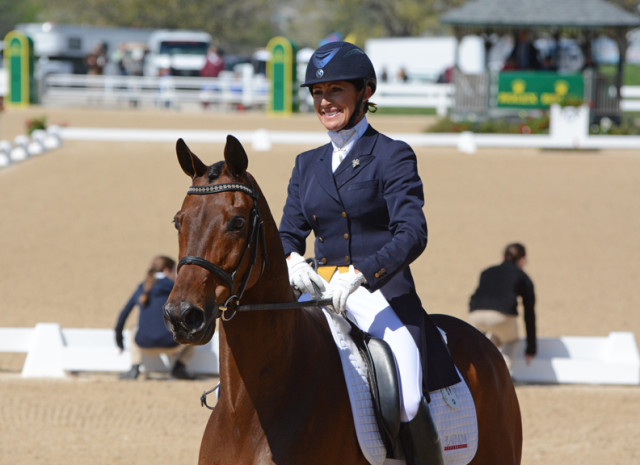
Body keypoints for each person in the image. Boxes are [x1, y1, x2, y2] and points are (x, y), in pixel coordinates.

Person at [279, 41, 458, 465]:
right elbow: (288, 232)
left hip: (379, 293)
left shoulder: (392, 155)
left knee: (409, 396)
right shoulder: (307, 164)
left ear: (365, 93)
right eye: (318, 93)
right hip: (319, 291)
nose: (325, 101)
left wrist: (361, 273)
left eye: (336, 90)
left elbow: (412, 231)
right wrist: (290, 261)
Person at [114, 255, 195, 380]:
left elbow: (122, 316)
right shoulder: (176, 288)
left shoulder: (142, 287)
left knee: (134, 329)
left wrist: (120, 343)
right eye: (175, 271)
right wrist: (180, 336)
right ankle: (180, 367)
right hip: (171, 344)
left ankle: (135, 367)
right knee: (195, 329)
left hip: (143, 344)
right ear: (167, 271)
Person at [469, 243, 537, 366]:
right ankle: (504, 374)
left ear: (502, 257)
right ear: (522, 260)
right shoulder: (523, 276)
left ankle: (480, 372)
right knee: (510, 340)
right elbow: (529, 314)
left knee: (491, 338)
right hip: (501, 316)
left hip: (475, 315)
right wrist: (531, 348)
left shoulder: (486, 271)